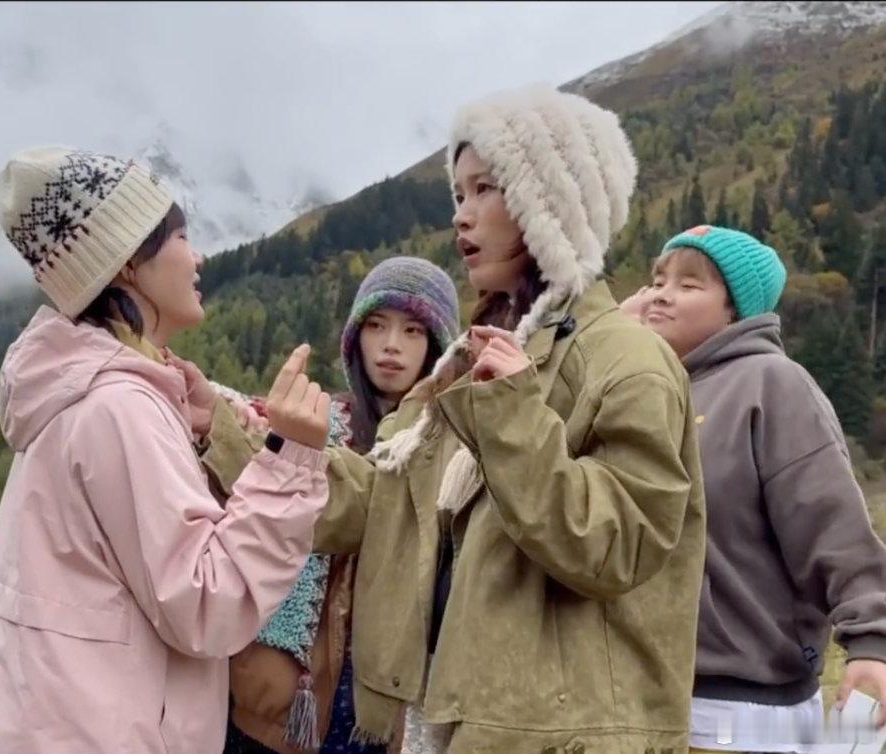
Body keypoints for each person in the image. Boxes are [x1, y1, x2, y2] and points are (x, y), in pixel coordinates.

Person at [209, 84, 707, 753]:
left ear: (550, 202)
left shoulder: (629, 361)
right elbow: (382, 503)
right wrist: (226, 432)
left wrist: (512, 417)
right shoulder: (472, 364)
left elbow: (619, 547)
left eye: (484, 190)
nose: (460, 216)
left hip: (565, 737)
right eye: (457, 193)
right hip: (452, 721)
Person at [0, 146, 331, 754]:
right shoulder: (120, 407)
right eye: (181, 237)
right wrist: (289, 459)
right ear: (125, 262)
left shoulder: (73, 391)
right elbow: (207, 604)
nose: (197, 257)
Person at [622, 225, 886, 754]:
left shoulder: (771, 383)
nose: (661, 295)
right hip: (639, 698)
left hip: (743, 709)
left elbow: (831, 522)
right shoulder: (639, 390)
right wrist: (608, 335)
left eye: (689, 284)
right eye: (656, 280)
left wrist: (872, 642)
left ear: (736, 311)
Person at [224, 256, 460, 754]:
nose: (391, 345)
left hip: (379, 700)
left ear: (438, 348)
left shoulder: (451, 453)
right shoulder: (313, 425)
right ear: (355, 339)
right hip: (285, 691)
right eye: (376, 326)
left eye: (413, 330)